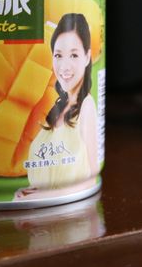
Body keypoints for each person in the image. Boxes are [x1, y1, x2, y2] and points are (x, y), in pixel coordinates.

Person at [21, 13, 99, 194]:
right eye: (58, 55)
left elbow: (91, 179)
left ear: (87, 57)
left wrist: (40, 197)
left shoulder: (87, 107)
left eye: (74, 55)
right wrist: (29, 192)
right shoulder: (58, 107)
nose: (64, 66)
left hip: (67, 209)